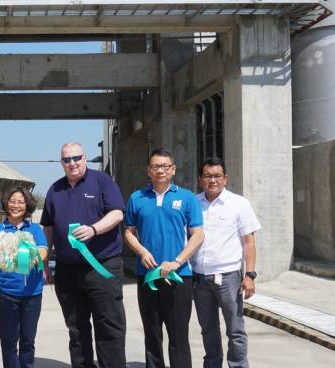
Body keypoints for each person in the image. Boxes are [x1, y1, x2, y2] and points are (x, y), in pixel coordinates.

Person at [40, 142, 127, 368]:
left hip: (102, 267)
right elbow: (48, 228)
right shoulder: (54, 189)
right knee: (76, 328)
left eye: (76, 158)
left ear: (85, 158)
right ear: (62, 163)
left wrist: (94, 229)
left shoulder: (102, 181)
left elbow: (117, 213)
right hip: (67, 271)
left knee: (108, 325)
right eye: (67, 160)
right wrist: (45, 264)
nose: (72, 163)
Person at [123, 148, 204, 368]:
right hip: (147, 276)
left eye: (165, 166)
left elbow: (198, 235)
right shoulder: (136, 198)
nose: (161, 170)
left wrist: (177, 261)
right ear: (148, 170)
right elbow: (128, 232)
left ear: (173, 169)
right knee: (152, 334)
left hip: (179, 277)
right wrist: (142, 251)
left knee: (178, 336)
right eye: (156, 166)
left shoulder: (186, 197)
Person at [191, 157, 261, 368]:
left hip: (229, 277)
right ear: (200, 179)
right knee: (208, 329)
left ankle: (238, 365)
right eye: (208, 176)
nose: (213, 180)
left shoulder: (239, 204)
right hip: (199, 278)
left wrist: (249, 275)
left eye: (217, 176)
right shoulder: (193, 203)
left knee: (235, 329)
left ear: (225, 179)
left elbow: (248, 242)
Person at [0, 187, 48, 368]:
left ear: (27, 205)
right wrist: (7, 260)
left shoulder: (35, 229)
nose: (16, 205)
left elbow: (43, 250)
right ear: (6, 204)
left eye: (21, 202)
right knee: (8, 340)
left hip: (32, 293)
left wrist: (30, 257)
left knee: (28, 340)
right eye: (12, 201)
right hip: (6, 292)